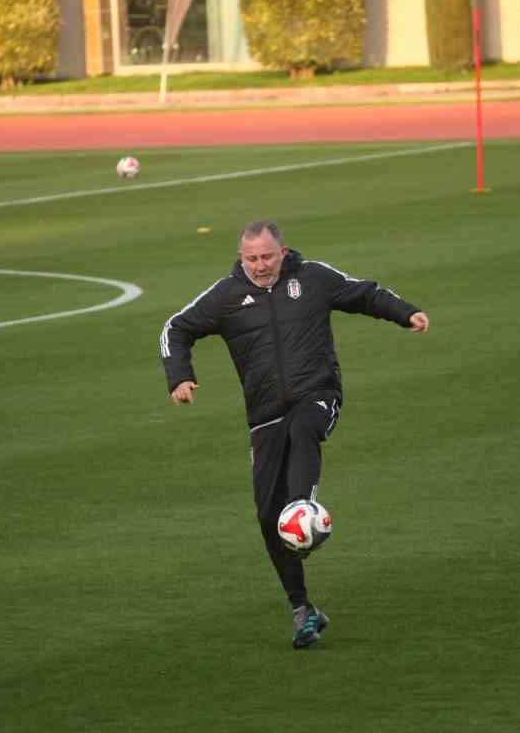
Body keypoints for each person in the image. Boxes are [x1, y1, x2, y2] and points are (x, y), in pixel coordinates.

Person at [159, 219, 430, 649]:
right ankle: (302, 608)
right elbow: (176, 328)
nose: (260, 265)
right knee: (268, 515)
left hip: (319, 393)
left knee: (306, 429)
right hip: (264, 414)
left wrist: (405, 312)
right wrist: (179, 377)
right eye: (251, 258)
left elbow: (364, 293)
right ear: (240, 257)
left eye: (267, 256)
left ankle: (304, 507)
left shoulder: (313, 277)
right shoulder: (226, 296)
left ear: (282, 251)